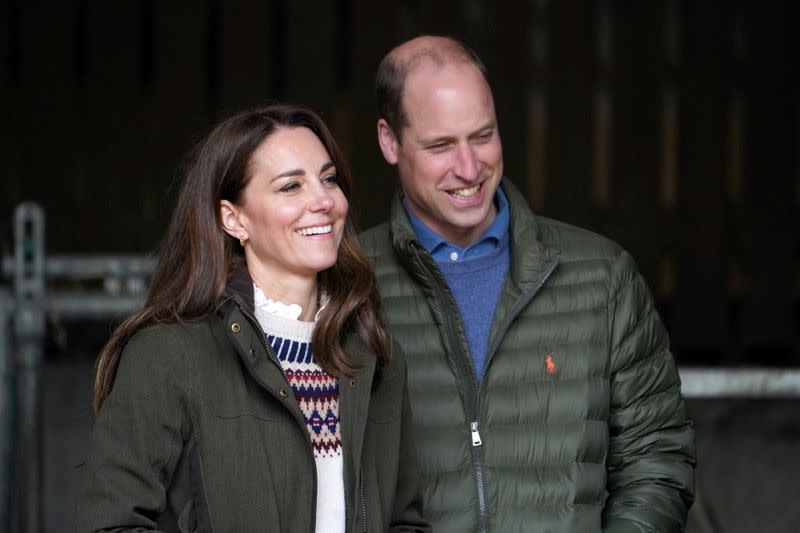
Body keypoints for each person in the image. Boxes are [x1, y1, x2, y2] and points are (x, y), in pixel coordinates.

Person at [359, 35, 696, 532]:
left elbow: (658, 457)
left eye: (482, 136)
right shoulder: (349, 284)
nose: (470, 168)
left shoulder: (602, 277)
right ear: (390, 141)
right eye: (440, 146)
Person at [76, 104, 430, 533]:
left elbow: (405, 521)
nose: (323, 200)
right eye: (290, 187)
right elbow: (110, 523)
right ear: (233, 218)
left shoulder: (374, 352)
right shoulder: (168, 353)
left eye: (328, 178)